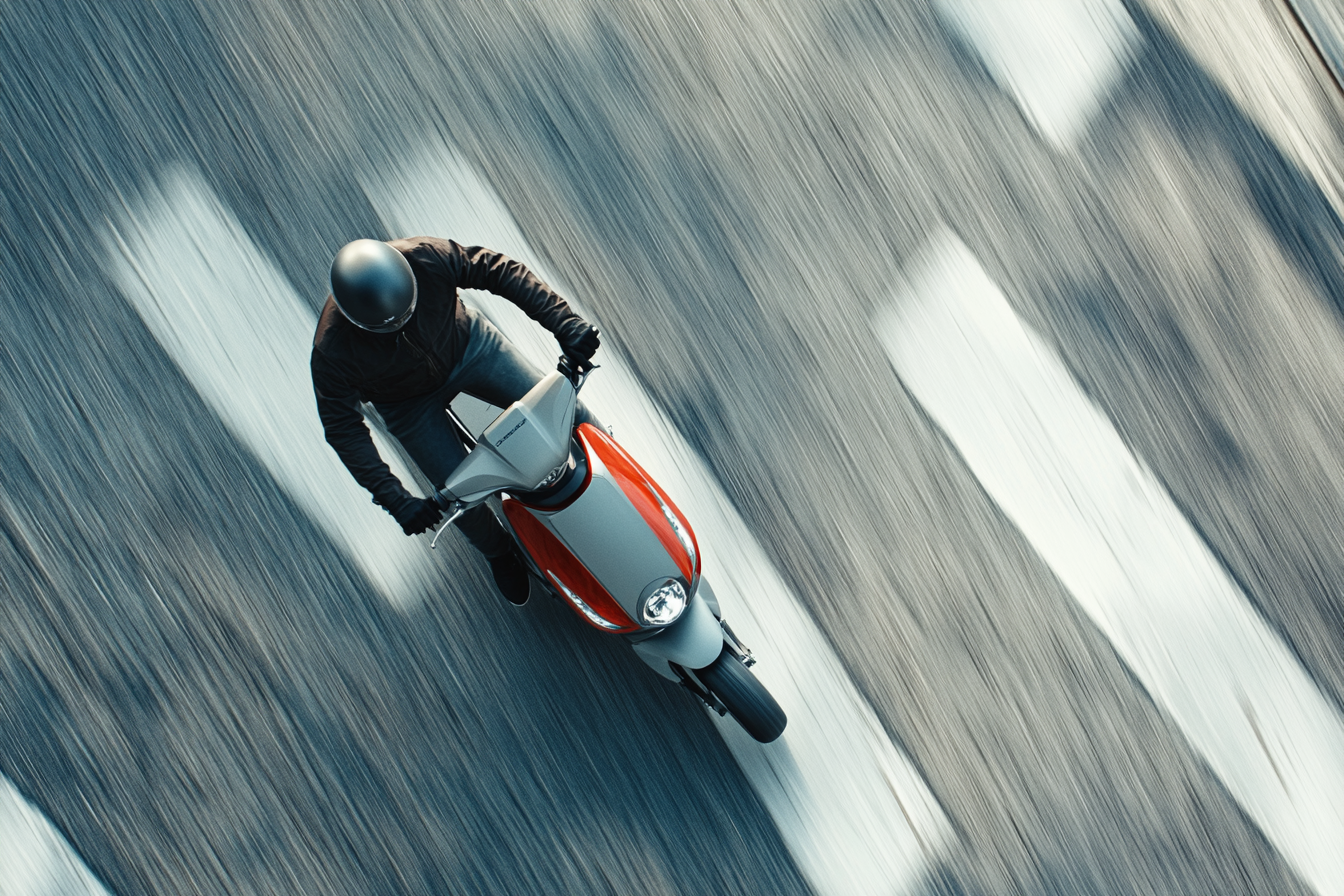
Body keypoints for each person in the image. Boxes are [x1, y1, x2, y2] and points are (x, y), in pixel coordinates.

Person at [310, 237, 602, 606]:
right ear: (354, 321)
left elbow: (501, 272)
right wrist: (396, 499)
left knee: (567, 408)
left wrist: (566, 323)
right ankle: (499, 551)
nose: (404, 325)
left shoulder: (425, 256)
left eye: (409, 312)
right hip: (407, 404)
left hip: (469, 347)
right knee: (454, 496)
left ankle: (615, 463)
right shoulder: (331, 352)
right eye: (391, 326)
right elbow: (342, 428)